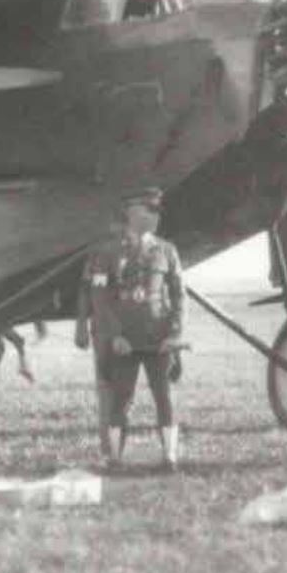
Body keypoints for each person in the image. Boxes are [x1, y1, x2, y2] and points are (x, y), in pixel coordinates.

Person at [75, 187, 187, 469]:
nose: (156, 217)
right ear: (131, 211)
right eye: (149, 210)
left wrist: (175, 333)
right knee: (121, 399)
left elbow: (179, 296)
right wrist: (114, 336)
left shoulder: (167, 250)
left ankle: (169, 456)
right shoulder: (107, 252)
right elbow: (100, 298)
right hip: (125, 339)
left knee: (165, 395)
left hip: (159, 337)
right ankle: (115, 457)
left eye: (157, 211)